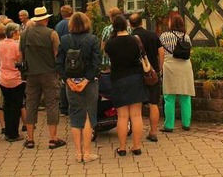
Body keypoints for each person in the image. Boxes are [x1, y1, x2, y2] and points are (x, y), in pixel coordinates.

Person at [56, 12, 101, 163]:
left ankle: (78, 154)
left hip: (71, 83)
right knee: (88, 115)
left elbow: (59, 63)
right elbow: (96, 63)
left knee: (75, 116)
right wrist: (86, 80)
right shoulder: (92, 39)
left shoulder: (64, 39)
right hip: (89, 83)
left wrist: (67, 80)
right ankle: (87, 154)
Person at [20, 6, 65, 150]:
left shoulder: (25, 33)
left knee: (31, 104)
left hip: (31, 74)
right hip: (49, 73)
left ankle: (30, 139)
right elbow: (56, 53)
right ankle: (53, 139)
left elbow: (21, 54)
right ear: (45, 19)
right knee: (52, 104)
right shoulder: (52, 34)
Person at [104, 15, 147, 156]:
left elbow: (109, 58)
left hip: (118, 79)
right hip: (135, 78)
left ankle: (122, 148)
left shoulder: (110, 44)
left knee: (122, 116)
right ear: (126, 24)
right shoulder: (135, 40)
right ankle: (137, 146)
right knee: (136, 115)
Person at [130, 13, 164, 142]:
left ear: (130, 24)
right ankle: (153, 132)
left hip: (137, 74)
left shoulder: (131, 38)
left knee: (137, 105)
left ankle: (137, 131)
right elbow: (161, 52)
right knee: (153, 103)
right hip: (152, 74)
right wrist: (159, 68)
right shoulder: (152, 35)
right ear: (142, 22)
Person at [160, 14, 195, 132]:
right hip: (185, 66)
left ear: (172, 24)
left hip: (170, 65)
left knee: (169, 97)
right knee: (185, 96)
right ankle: (186, 124)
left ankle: (169, 125)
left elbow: (160, 51)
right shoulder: (187, 37)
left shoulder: (164, 36)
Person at [0, 22, 26, 142]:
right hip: (16, 78)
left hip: (3, 78)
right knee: (16, 106)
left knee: (7, 105)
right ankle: (14, 134)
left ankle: (8, 132)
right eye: (18, 31)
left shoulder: (0, 44)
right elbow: (20, 60)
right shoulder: (16, 45)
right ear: (14, 32)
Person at [54, 5, 73, 115]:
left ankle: (64, 107)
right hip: (74, 55)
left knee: (64, 80)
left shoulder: (58, 25)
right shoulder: (73, 23)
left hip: (63, 54)